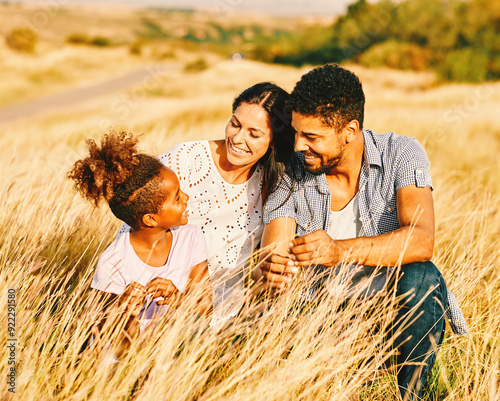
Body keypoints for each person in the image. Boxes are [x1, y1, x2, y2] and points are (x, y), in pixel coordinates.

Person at [257, 64, 467, 400]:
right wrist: (273, 267)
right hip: (319, 319)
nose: (298, 145)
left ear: (350, 130)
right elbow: (275, 246)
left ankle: (411, 393)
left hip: (392, 316)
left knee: (422, 275)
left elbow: (421, 239)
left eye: (312, 137)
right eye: (296, 132)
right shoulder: (292, 170)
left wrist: (338, 251)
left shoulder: (401, 153)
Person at [117, 82, 295, 329]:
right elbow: (133, 227)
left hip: (226, 314)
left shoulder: (274, 183)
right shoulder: (184, 160)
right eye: (235, 124)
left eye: (254, 134)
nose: (238, 138)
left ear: (274, 142)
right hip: (157, 299)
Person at [68, 131, 212, 358]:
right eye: (176, 197)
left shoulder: (190, 236)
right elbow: (117, 346)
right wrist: (125, 314)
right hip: (128, 357)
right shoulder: (113, 261)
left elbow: (206, 310)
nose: (185, 197)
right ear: (151, 219)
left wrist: (178, 299)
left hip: (176, 348)